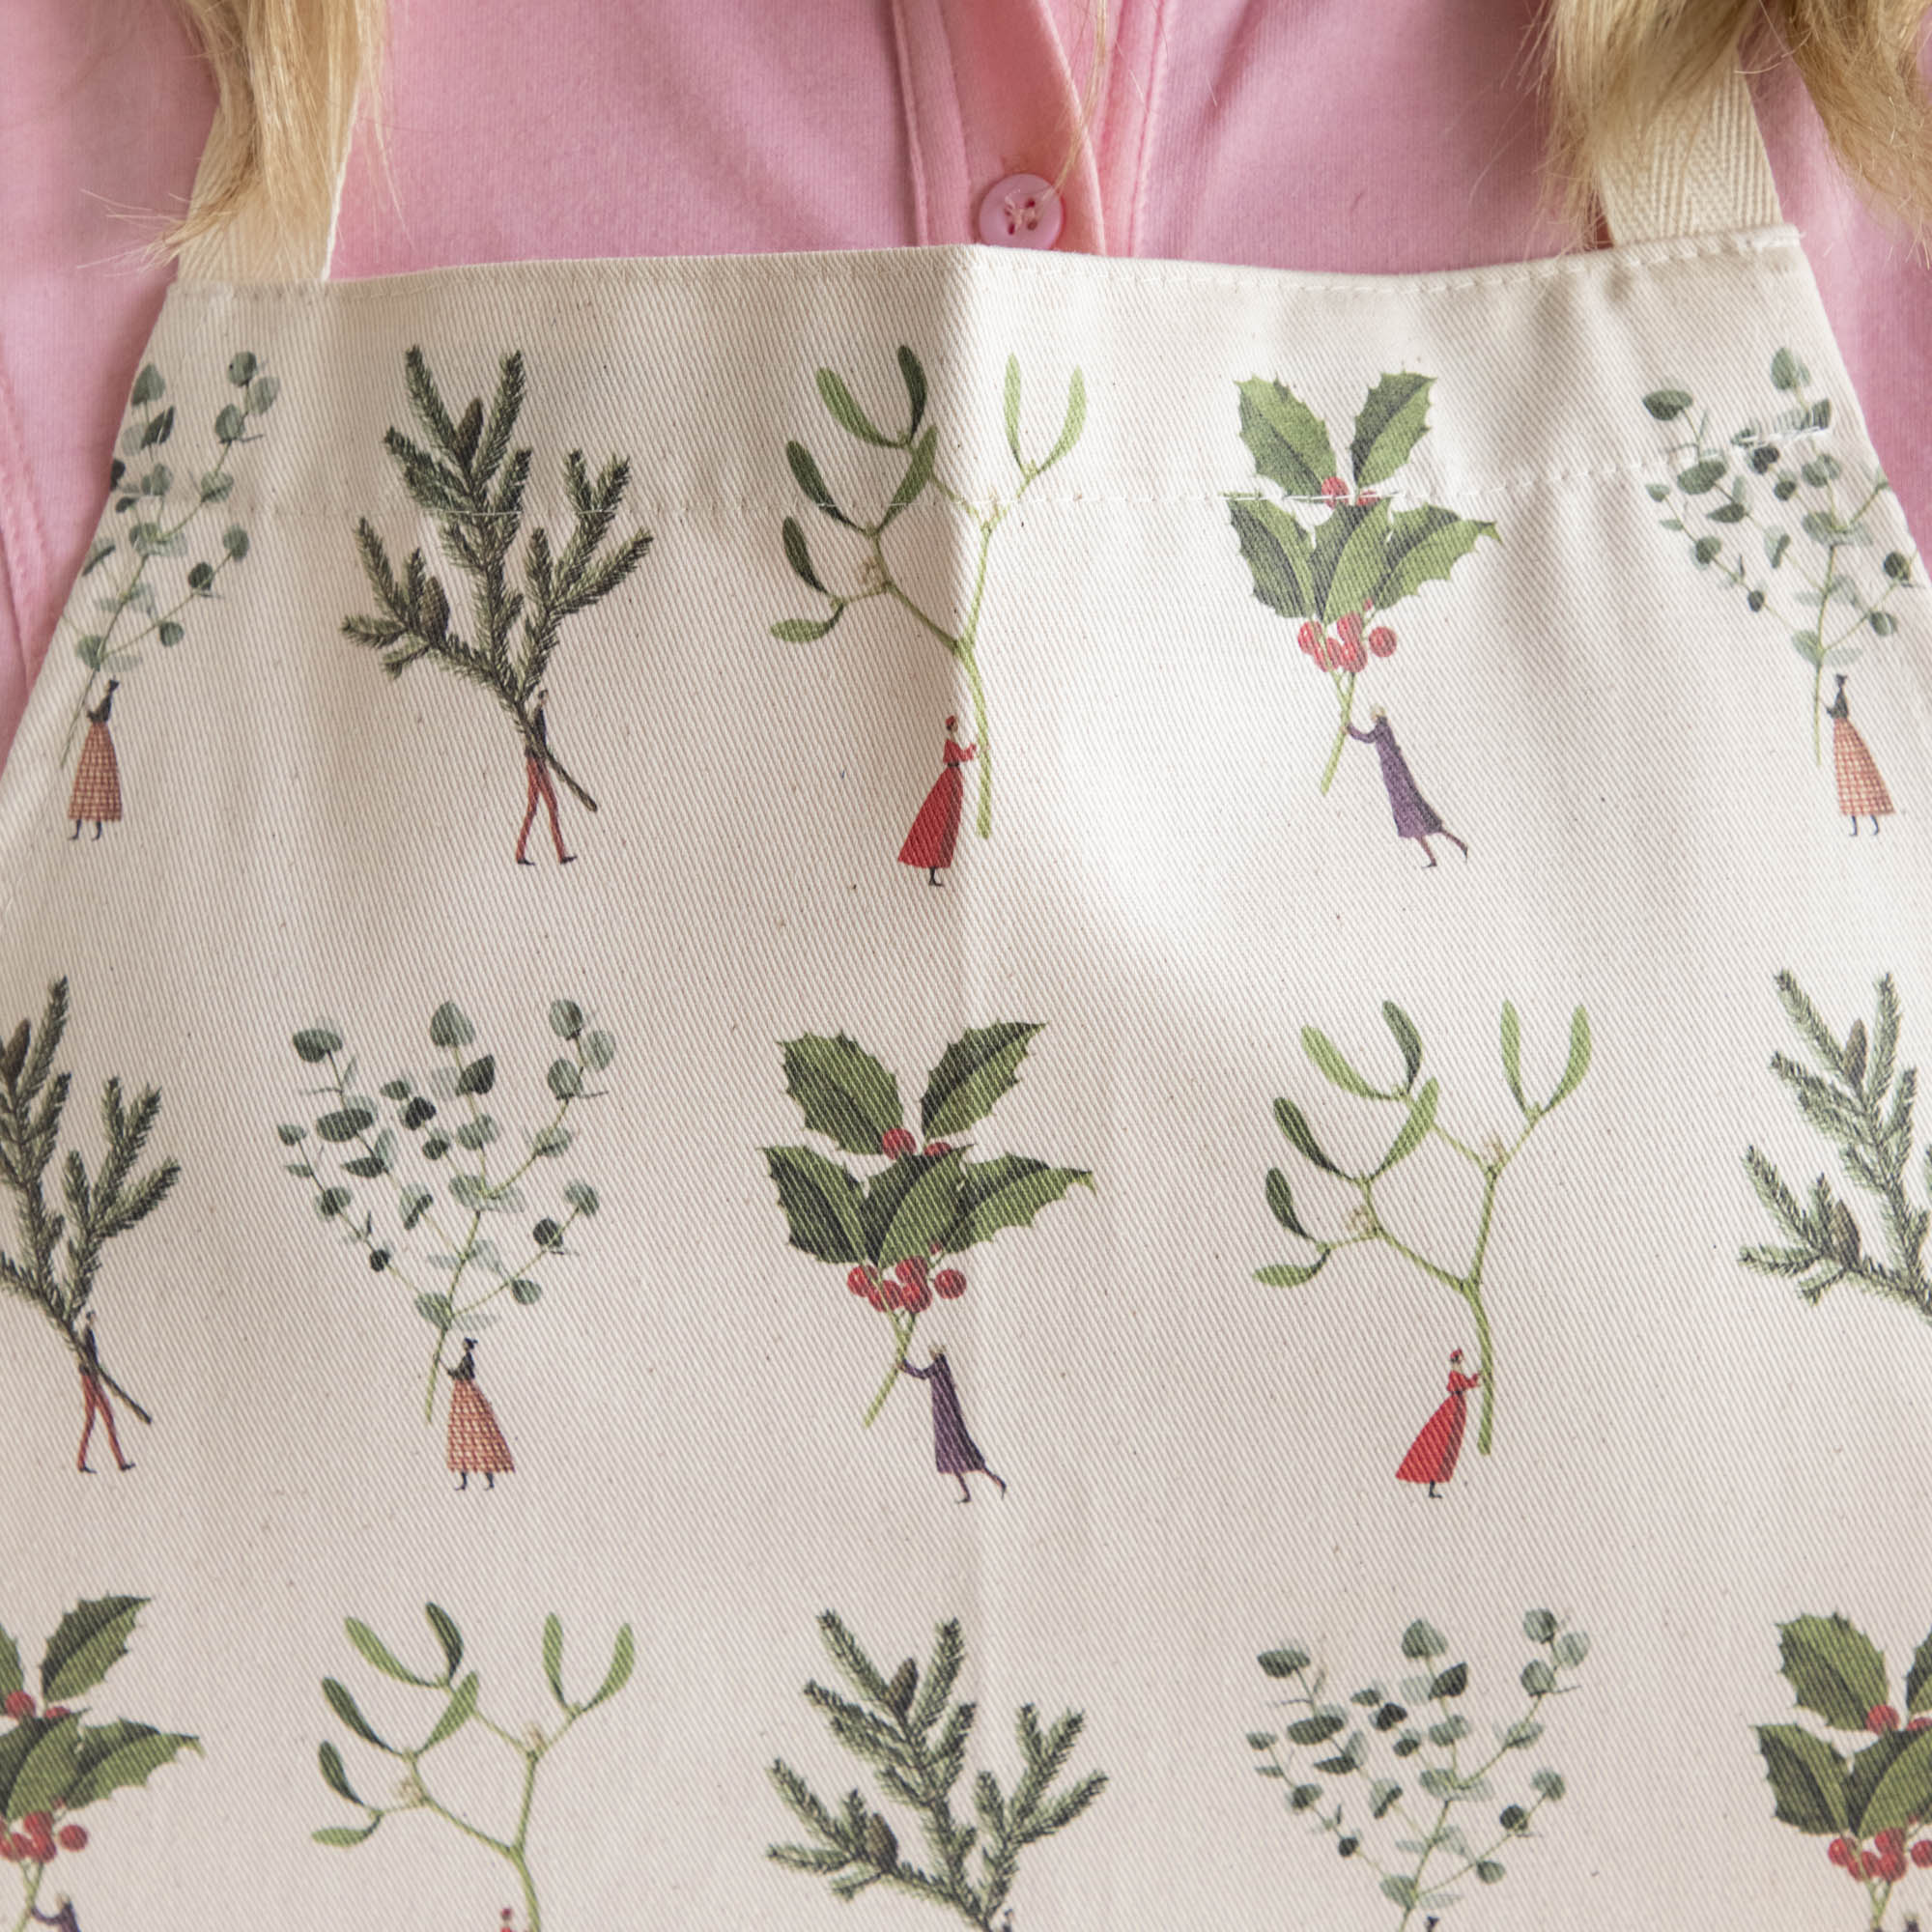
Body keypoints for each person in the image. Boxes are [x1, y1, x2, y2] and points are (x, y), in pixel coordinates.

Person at [1348, 707, 1467, 867]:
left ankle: (1458, 846)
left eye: (1372, 714)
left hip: (1397, 776)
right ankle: (1437, 857)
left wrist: (1349, 729)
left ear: (1377, 715)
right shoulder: (1383, 727)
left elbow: (1367, 737)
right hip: (1394, 776)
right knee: (1414, 823)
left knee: (1417, 818)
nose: (1371, 716)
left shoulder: (1382, 727)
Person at [900, 1345, 1006, 1502]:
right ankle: (973, 1490)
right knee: (955, 1455)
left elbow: (922, 1375)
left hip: (945, 1415)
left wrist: (905, 1366)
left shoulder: (939, 1364)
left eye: (933, 1351)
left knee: (957, 1452)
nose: (931, 1353)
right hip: (944, 1414)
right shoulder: (942, 1365)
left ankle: (988, 1484)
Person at [897, 717, 977, 886]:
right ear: (951, 726)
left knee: (945, 824)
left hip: (953, 780)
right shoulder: (950, 742)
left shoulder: (952, 741)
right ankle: (932, 875)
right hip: (950, 781)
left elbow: (961, 755)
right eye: (955, 724)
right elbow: (961, 756)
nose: (957, 726)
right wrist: (974, 747)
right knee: (939, 823)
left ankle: (933, 875)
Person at [1396, 1349, 1481, 1497]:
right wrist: (1476, 1382)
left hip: (1456, 1409)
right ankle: (1431, 1486)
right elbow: (1462, 1384)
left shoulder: (1457, 1371)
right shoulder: (1455, 1373)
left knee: (1445, 1446)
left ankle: (1432, 1487)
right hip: (1452, 1410)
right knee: (1442, 1444)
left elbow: (1465, 1382)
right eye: (1461, 1358)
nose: (1462, 1360)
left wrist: (1476, 1378)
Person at [445, 1336, 515, 1490]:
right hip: (462, 1394)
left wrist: (451, 1372)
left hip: (466, 1394)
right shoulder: (466, 1358)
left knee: (474, 1435)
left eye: (464, 1344)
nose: (463, 1345)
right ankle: (466, 1481)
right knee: (462, 1436)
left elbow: (464, 1374)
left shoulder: (468, 1359)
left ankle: (484, 1481)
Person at [1829, 673, 1894, 836]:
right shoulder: (1839, 696)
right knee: (1850, 782)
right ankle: (1861, 828)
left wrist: (1831, 711)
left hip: (1843, 731)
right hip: (1841, 731)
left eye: (1838, 681)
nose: (1836, 683)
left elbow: (1842, 713)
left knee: (1854, 781)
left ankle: (1868, 827)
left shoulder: (1841, 696)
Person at [516, 688, 574, 867]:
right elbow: (533, 741)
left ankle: (522, 852)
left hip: (536, 762)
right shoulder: (536, 715)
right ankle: (558, 854)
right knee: (547, 806)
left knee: (537, 808)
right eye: (545, 696)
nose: (546, 699)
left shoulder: (537, 714)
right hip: (536, 764)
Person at [74, 1312, 134, 1475]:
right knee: (100, 1418)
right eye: (92, 1318)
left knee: (99, 1418)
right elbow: (84, 1359)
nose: (95, 1320)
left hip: (92, 1378)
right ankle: (84, 1461)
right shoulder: (85, 1334)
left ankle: (84, 1461)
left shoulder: (87, 1333)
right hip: (90, 1379)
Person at [67, 680, 121, 841]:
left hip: (98, 736)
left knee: (91, 781)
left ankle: (90, 832)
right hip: (97, 736)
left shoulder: (107, 701)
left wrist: (88, 712)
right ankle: (85, 832)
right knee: (90, 783)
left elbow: (99, 717)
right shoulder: (107, 700)